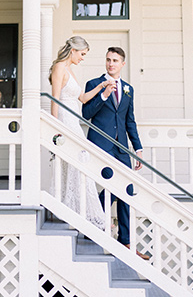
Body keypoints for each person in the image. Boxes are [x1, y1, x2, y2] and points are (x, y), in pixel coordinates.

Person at [82, 46, 150, 259]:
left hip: (122, 147)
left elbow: (130, 121)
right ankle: (93, 221)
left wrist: (137, 148)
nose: (111, 63)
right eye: (108, 59)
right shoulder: (94, 84)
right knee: (112, 186)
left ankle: (125, 241)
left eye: (115, 60)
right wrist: (103, 95)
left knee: (127, 190)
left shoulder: (129, 89)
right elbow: (86, 113)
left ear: (122, 64)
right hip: (101, 144)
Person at [49, 36, 113, 231]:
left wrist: (102, 87)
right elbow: (55, 99)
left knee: (79, 164)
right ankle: (80, 211)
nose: (83, 58)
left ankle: (79, 210)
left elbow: (83, 98)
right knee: (79, 161)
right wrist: (55, 128)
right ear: (74, 50)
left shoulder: (70, 71)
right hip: (65, 122)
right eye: (82, 54)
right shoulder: (60, 67)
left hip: (74, 121)